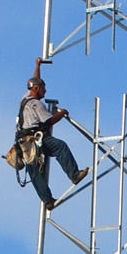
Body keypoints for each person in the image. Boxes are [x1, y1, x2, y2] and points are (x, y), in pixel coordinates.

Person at [17, 68, 86, 208]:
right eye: (43, 88)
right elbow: (49, 121)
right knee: (60, 147)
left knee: (34, 170)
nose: (45, 91)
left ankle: (47, 201)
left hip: (24, 143)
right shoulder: (37, 104)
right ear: (36, 88)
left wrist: (38, 65)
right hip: (36, 140)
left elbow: (34, 79)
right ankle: (74, 175)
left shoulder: (25, 99)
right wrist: (63, 113)